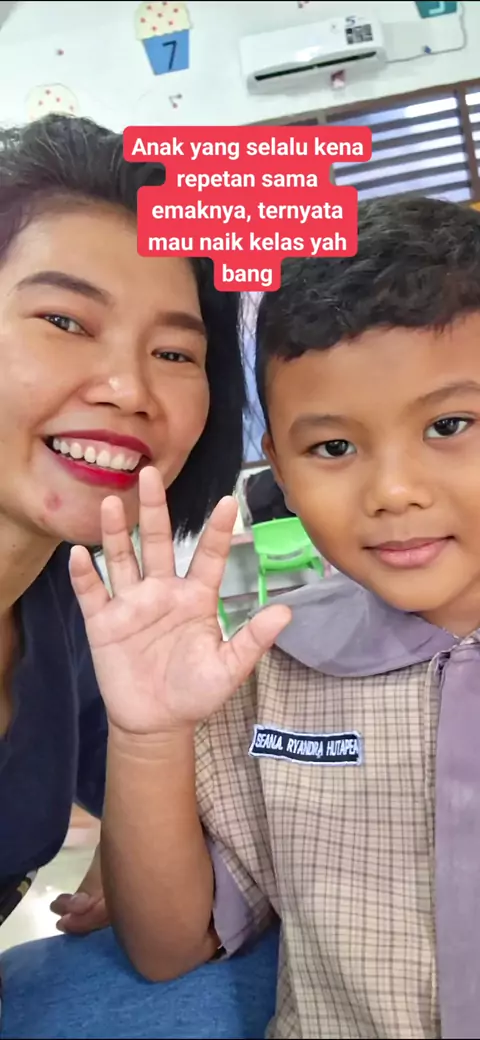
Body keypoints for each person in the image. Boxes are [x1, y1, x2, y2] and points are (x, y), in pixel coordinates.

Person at [78, 197, 480, 1040]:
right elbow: (169, 946)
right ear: (282, 476)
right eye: (333, 447)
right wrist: (150, 737)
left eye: (450, 425)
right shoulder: (273, 669)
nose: (392, 491)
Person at [0, 114, 280, 1039]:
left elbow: (171, 915)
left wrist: (145, 786)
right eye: (64, 321)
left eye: (175, 353)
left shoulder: (66, 607)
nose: (129, 387)